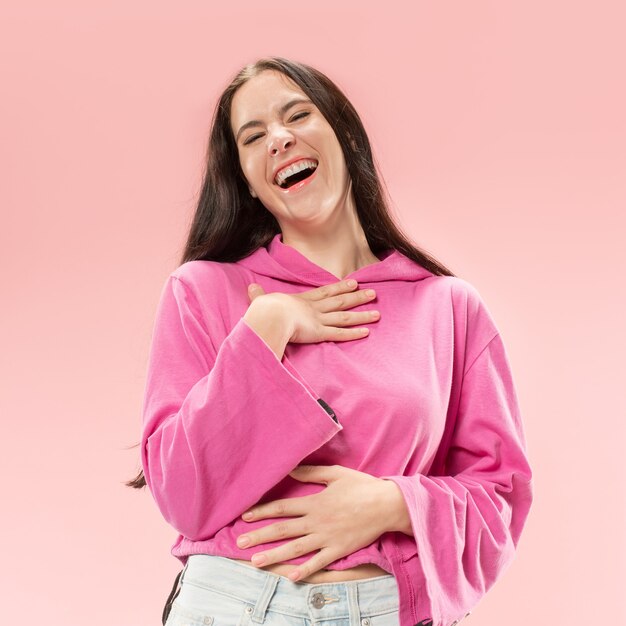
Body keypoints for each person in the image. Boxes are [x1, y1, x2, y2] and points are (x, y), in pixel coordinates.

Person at [127, 56, 534, 626]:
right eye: (253, 136)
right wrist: (266, 327)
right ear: (245, 179)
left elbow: (501, 496)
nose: (279, 138)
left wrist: (394, 504)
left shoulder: (447, 307)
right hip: (231, 603)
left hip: (385, 608)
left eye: (297, 114)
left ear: (344, 134)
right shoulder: (202, 291)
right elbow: (182, 496)